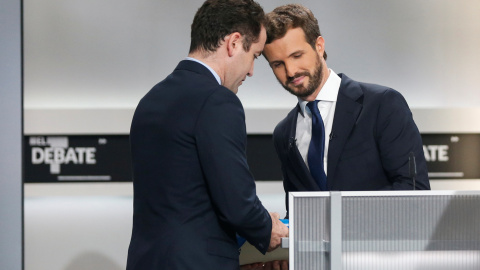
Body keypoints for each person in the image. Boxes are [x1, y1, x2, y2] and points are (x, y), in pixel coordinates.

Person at [126, 1, 288, 269]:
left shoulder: (151, 100)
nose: (250, 71)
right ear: (234, 43)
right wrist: (269, 228)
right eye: (255, 56)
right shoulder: (217, 101)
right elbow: (237, 202)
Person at [262, 4, 430, 217]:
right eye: (278, 64)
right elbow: (301, 212)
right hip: (319, 251)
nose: (291, 71)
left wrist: (348, 227)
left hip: (381, 248)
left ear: (319, 46)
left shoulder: (383, 104)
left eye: (297, 56)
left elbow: (414, 192)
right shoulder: (283, 133)